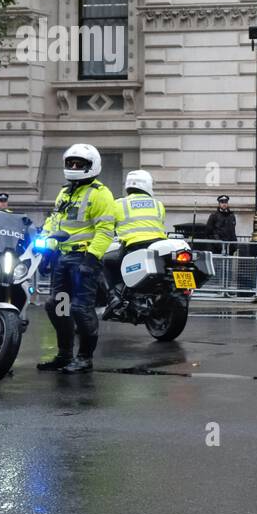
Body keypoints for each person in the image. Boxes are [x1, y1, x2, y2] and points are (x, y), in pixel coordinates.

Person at [38, 143, 116, 374]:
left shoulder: (100, 194)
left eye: (79, 164)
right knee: (57, 307)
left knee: (81, 309)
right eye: (70, 163)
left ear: (91, 166)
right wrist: (48, 251)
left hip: (83, 260)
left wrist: (91, 259)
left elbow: (105, 231)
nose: (73, 167)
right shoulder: (64, 192)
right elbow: (54, 224)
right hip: (63, 259)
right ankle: (64, 355)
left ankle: (85, 358)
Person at [104, 170, 168, 316]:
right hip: (158, 247)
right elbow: (161, 222)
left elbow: (107, 226)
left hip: (133, 246)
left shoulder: (118, 204)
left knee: (104, 261)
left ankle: (112, 297)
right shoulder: (158, 205)